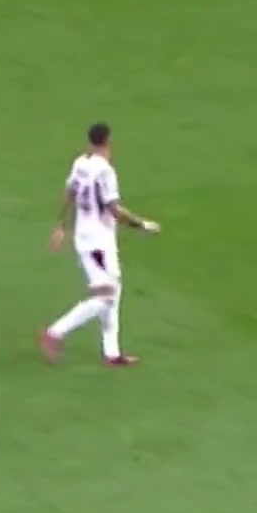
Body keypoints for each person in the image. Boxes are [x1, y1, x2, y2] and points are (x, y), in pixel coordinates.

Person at [40, 122, 161, 366]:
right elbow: (114, 210)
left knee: (113, 291)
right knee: (106, 296)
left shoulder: (80, 163)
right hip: (98, 243)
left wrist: (61, 225)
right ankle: (55, 332)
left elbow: (70, 193)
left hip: (86, 238)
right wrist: (143, 225)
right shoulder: (105, 172)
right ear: (109, 141)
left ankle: (112, 353)